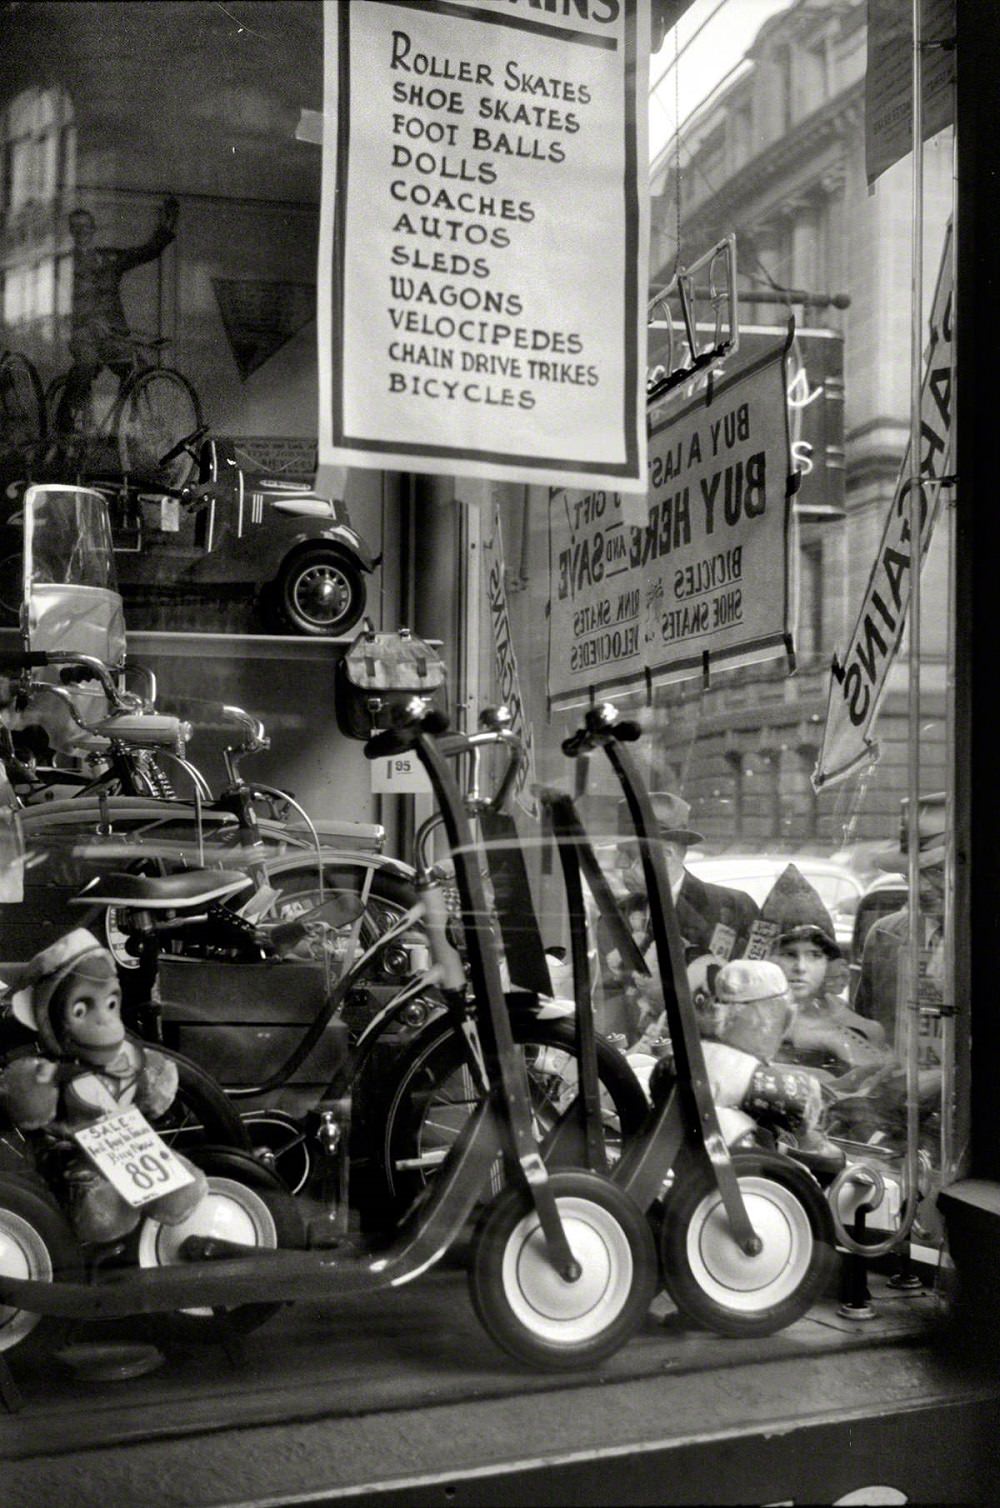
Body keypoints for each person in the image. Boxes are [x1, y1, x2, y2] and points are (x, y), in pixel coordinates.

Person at [54, 196, 179, 437]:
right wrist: (89, 321)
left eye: (86, 227)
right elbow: (62, 302)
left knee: (137, 370)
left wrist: (165, 228)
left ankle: (122, 427)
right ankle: (64, 417)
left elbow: (145, 252)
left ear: (93, 230)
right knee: (87, 364)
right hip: (84, 335)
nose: (82, 232)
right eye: (76, 227)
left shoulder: (109, 258)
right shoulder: (64, 264)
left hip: (113, 335)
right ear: (71, 231)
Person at [853, 792, 947, 1059]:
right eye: (911, 874)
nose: (921, 887)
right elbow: (866, 1031)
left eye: (938, 871)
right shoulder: (885, 936)